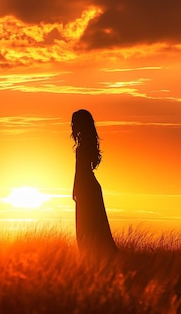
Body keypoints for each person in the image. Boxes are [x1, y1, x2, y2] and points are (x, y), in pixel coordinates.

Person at [71, 109, 118, 257]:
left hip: (85, 187)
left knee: (86, 226)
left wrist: (74, 188)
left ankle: (91, 256)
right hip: (91, 186)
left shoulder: (82, 147)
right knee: (95, 225)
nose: (72, 125)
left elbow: (80, 170)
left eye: (74, 122)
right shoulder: (88, 144)